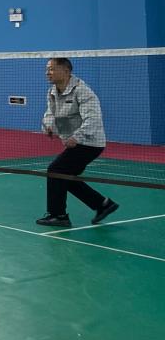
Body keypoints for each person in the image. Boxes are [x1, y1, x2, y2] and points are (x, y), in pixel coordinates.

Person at [36, 57, 119, 227]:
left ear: (66, 71)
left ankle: (59, 215)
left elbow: (93, 119)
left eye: (51, 69)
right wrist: (49, 127)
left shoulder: (83, 91)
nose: (47, 73)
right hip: (73, 141)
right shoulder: (52, 92)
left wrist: (77, 137)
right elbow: (50, 113)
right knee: (64, 177)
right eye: (47, 69)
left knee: (55, 170)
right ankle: (103, 204)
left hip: (90, 142)